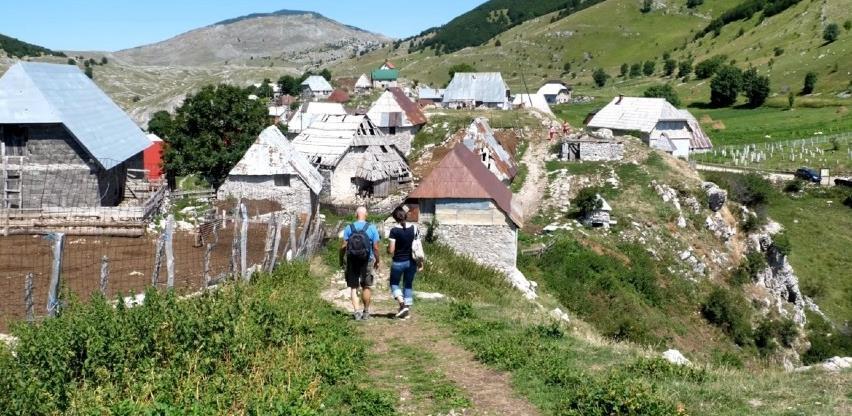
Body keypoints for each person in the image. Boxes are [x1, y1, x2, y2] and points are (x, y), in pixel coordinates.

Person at [340, 206, 380, 320]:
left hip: (352, 259)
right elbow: (376, 247)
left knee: (353, 286)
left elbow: (343, 246)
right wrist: (378, 260)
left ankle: (357, 312)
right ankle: (366, 313)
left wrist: (341, 259)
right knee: (366, 286)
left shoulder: (349, 227)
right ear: (366, 215)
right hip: (367, 259)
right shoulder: (372, 228)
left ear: (356, 215)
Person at [387, 205, 423, 319]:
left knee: (394, 283)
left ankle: (402, 305)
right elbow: (418, 247)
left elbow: (391, 250)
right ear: (405, 215)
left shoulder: (394, 230)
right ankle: (406, 311)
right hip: (411, 262)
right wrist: (421, 263)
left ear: (395, 218)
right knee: (408, 285)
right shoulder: (414, 228)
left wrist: (388, 249)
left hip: (398, 261)